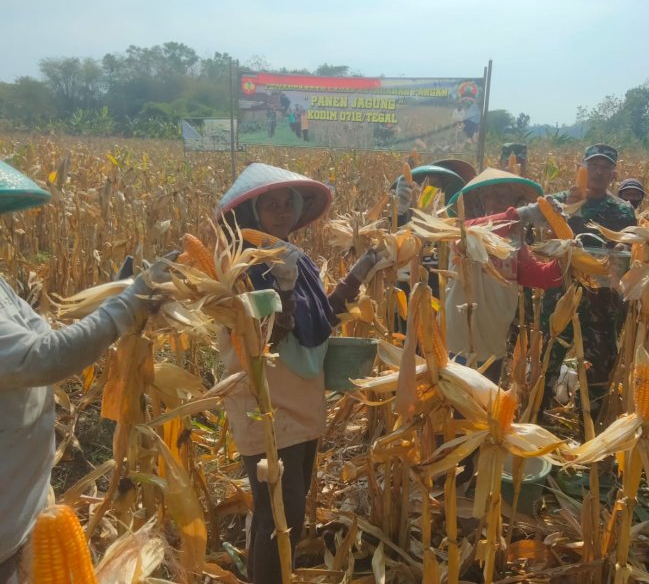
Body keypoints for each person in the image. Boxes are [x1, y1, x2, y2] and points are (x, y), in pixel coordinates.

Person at [0, 161, 175, 584]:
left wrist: (109, 305)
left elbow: (47, 336)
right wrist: (124, 307)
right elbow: (41, 358)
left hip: (18, 507)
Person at [215, 163, 381, 583]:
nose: (281, 211)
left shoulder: (295, 259)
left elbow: (321, 320)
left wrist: (359, 273)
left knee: (285, 509)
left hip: (301, 402)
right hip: (266, 405)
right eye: (270, 204)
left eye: (286, 203)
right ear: (252, 211)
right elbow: (263, 339)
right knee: (279, 517)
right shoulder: (242, 265)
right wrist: (283, 294)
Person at [444, 168, 564, 384]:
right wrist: (520, 215)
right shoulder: (462, 232)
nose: (501, 199)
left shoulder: (515, 242)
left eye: (507, 195)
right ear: (479, 201)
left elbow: (544, 277)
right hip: (460, 342)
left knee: (486, 402)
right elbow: (470, 232)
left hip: (495, 342)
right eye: (494, 194)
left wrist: (564, 250)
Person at [544, 145, 637, 412]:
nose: (598, 172)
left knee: (600, 361)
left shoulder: (622, 211)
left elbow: (630, 247)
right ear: (580, 169)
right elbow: (538, 242)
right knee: (548, 352)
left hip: (602, 298)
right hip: (560, 291)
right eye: (593, 165)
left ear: (614, 175)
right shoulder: (556, 203)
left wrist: (623, 250)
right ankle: (537, 411)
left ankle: (590, 418)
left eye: (605, 167)